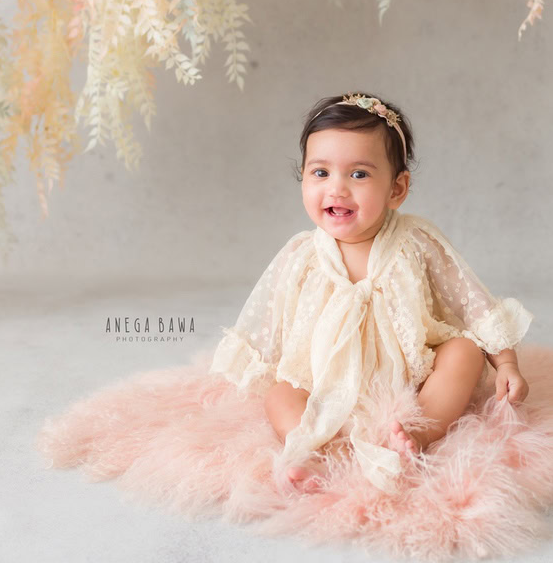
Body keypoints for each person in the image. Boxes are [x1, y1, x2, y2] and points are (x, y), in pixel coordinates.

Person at [209, 92, 533, 494]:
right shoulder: (301, 255)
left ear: (397, 189)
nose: (337, 189)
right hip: (322, 380)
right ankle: (322, 449)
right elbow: (270, 322)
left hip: (412, 381)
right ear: (303, 177)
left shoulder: (416, 241)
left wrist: (506, 364)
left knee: (464, 351)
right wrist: (261, 368)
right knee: (279, 394)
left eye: (359, 175)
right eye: (321, 172)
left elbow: (472, 304)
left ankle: (416, 434)